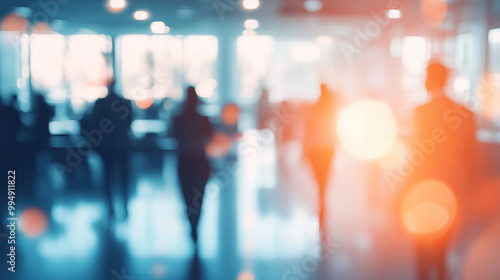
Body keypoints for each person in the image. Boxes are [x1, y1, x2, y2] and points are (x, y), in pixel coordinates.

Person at [408, 60, 477, 280]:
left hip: (422, 186)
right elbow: (470, 158)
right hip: (451, 186)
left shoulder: (421, 112)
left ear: (429, 80)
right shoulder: (464, 113)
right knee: (443, 244)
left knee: (420, 243)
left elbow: (416, 156)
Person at [172, 86, 213, 247]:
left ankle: (192, 223)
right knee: (199, 196)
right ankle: (195, 225)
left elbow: (174, 136)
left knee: (187, 196)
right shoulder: (203, 119)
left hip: (185, 160)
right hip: (200, 160)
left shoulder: (178, 117)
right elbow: (209, 138)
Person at [89, 81, 133, 221]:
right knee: (123, 178)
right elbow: (129, 121)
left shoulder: (100, 104)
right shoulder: (125, 102)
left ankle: (110, 208)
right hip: (122, 145)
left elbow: (94, 123)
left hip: (107, 146)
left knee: (108, 177)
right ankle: (124, 205)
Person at [303, 84, 338, 241]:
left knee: (319, 178)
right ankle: (322, 194)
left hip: (316, 149)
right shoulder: (332, 110)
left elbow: (307, 130)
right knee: (324, 178)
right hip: (327, 150)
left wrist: (305, 148)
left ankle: (321, 194)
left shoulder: (314, 109)